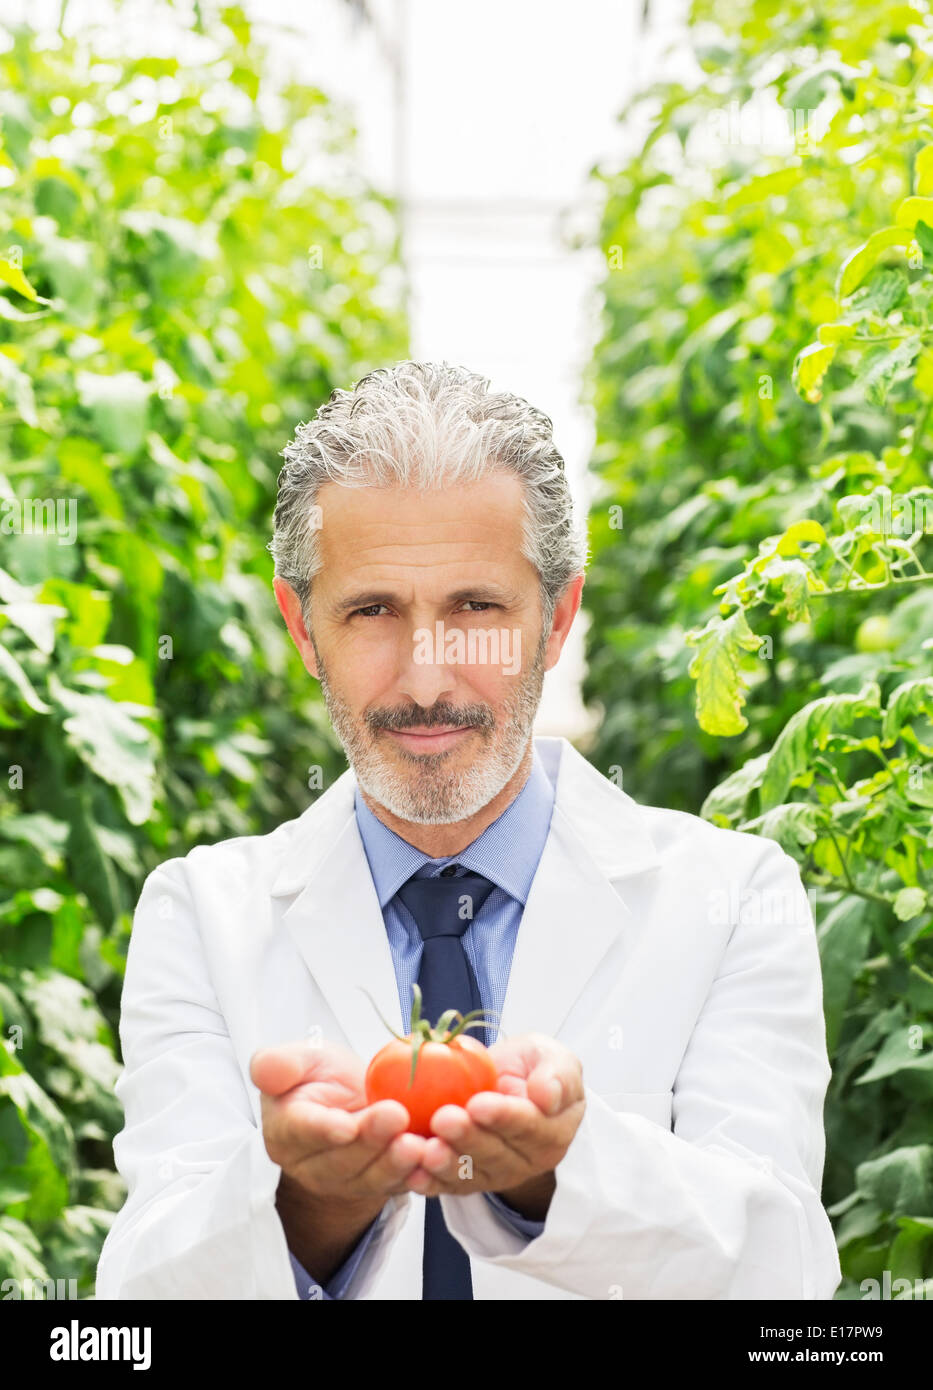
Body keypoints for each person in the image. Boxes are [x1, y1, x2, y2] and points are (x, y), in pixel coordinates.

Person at [95, 361, 842, 1300]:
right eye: (371, 612)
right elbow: (138, 1306)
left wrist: (554, 1173)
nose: (425, 682)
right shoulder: (199, 916)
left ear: (557, 617)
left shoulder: (734, 899)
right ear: (300, 629)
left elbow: (786, 1280)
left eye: (476, 609)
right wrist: (307, 1202)